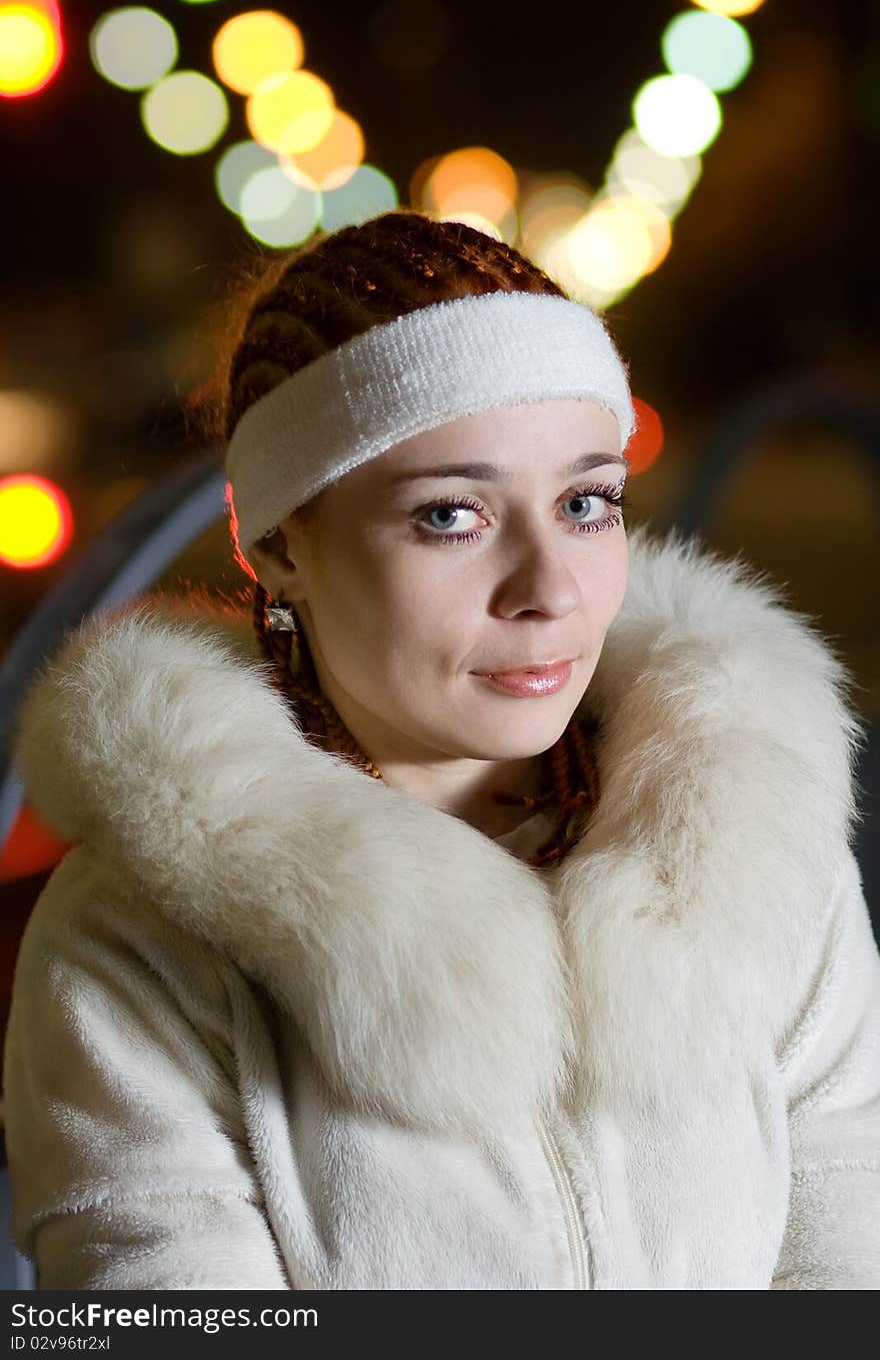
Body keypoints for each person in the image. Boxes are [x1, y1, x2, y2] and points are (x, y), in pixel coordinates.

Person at [3, 209, 880, 1290]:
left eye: (585, 502)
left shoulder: (745, 830)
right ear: (276, 543)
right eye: (451, 516)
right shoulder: (135, 936)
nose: (551, 589)